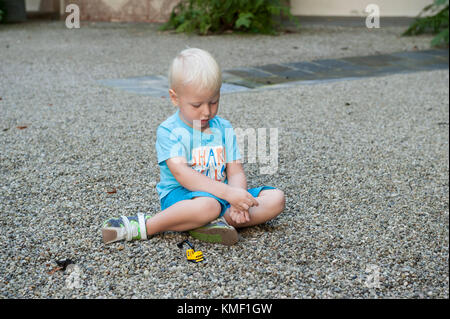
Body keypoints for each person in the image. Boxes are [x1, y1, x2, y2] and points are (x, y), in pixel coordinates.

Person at [101, 48, 285, 246]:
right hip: (182, 198)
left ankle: (206, 224)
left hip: (222, 198)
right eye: (197, 105)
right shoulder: (169, 131)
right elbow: (183, 175)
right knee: (208, 205)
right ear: (175, 98)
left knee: (276, 198)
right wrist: (228, 194)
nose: (206, 112)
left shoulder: (223, 127)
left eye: (213, 102)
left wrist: (237, 200)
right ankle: (149, 225)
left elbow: (236, 172)